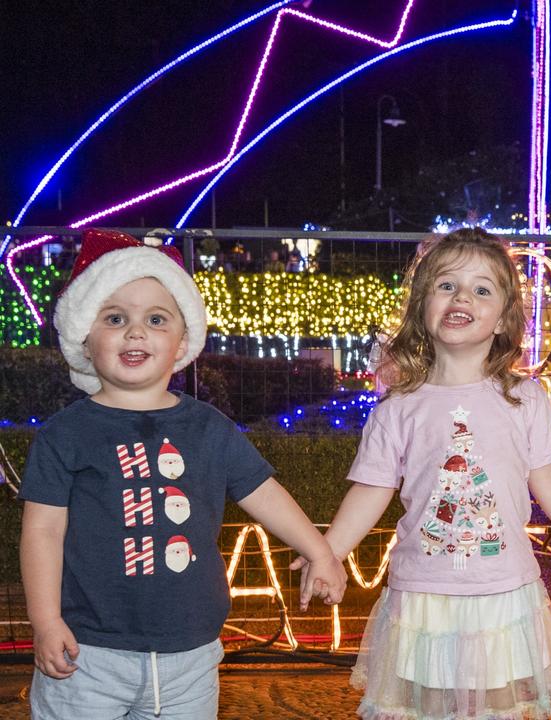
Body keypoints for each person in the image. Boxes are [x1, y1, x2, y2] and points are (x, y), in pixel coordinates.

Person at [19, 228, 347, 719]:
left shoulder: (209, 428)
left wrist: (319, 550)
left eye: (156, 319)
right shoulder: (64, 435)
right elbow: (41, 531)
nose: (135, 332)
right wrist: (44, 622)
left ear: (182, 340)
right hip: (87, 656)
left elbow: (264, 492)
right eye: (115, 318)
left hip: (191, 658)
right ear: (85, 339)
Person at [292, 228, 551, 720]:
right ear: (422, 306)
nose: (462, 296)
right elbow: (372, 489)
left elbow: (546, 476)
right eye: (446, 285)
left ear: (503, 319)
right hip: (423, 596)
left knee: (501, 710)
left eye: (482, 289)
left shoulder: (524, 398)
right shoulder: (396, 409)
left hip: (502, 591)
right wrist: (329, 551)